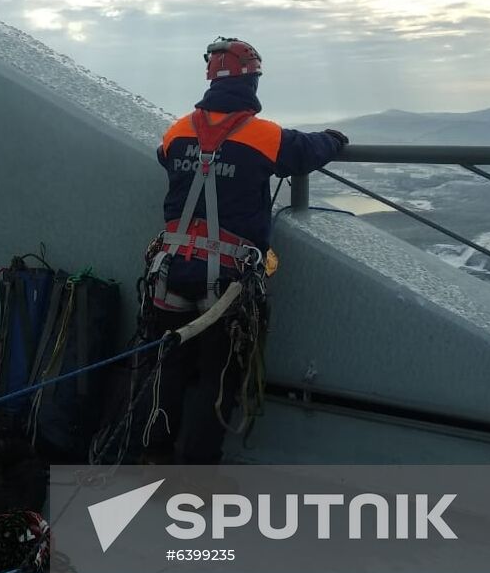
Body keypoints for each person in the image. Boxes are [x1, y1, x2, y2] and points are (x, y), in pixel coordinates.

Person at [137, 37, 347, 465]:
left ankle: (153, 459)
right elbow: (308, 152)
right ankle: (196, 477)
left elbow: (167, 157)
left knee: (167, 371)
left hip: (170, 271)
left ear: (211, 81)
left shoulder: (178, 131)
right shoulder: (265, 137)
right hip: (226, 284)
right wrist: (334, 138)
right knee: (218, 379)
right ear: (251, 82)